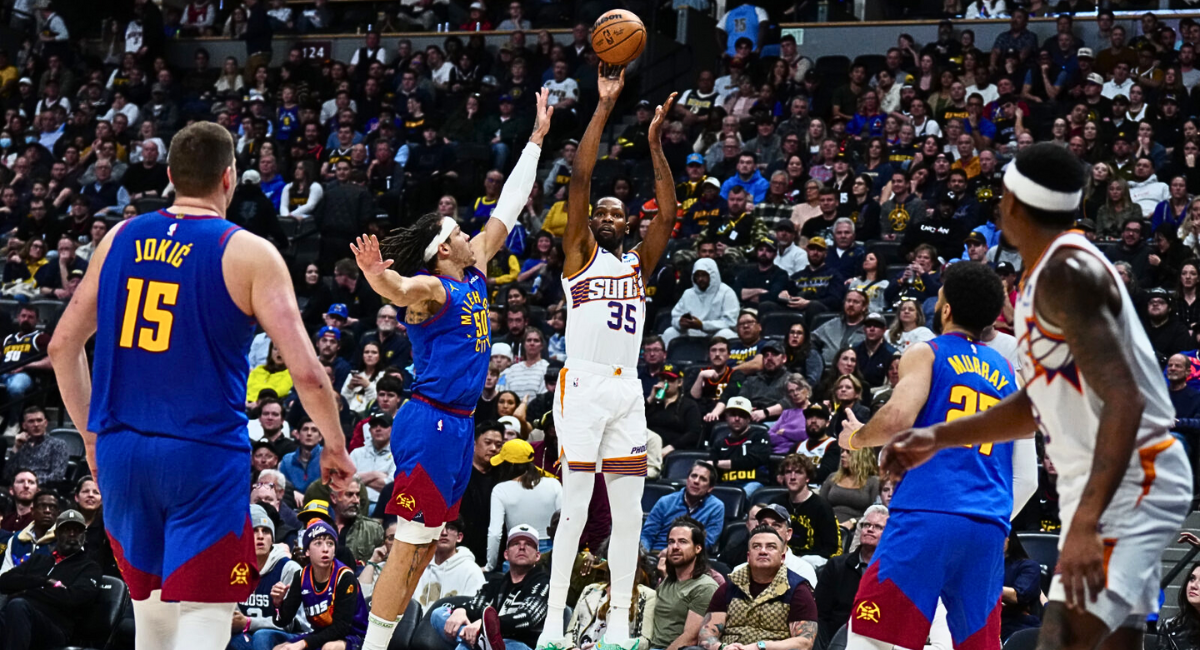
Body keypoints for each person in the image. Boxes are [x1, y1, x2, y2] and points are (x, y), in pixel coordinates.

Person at [48, 122, 356, 650]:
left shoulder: (119, 238)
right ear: (229, 178)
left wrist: (93, 437)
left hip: (124, 450)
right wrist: (335, 443)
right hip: (201, 455)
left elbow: (61, 346)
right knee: (205, 613)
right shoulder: (248, 252)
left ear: (170, 176)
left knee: (152, 615)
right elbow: (306, 371)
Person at [883, 143, 1193, 650]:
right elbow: (1037, 406)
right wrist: (939, 436)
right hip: (1109, 477)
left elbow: (1126, 398)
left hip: (1129, 474)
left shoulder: (1065, 275)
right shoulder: (1046, 275)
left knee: (1066, 640)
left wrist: (1086, 523)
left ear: (1013, 205)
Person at [347, 89, 550, 650]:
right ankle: (373, 645)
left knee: (427, 540)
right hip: (430, 420)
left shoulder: (474, 273)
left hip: (459, 425)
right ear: (444, 249)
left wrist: (534, 141)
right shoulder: (435, 287)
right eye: (459, 232)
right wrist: (375, 275)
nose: (469, 234)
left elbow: (506, 209)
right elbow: (399, 285)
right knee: (409, 543)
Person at [539, 66, 680, 650]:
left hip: (628, 390)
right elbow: (580, 176)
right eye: (602, 212)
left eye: (619, 214)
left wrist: (653, 143)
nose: (608, 217)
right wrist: (603, 106)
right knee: (574, 506)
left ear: (629, 223)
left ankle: (620, 623)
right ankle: (551, 623)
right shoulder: (579, 256)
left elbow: (669, 216)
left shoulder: (637, 266)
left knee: (629, 512)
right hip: (584, 384)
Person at [838, 260, 1037, 650]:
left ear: (945, 308)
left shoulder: (926, 352)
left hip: (928, 514)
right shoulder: (1005, 369)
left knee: (871, 637)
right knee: (975, 644)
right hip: (989, 526)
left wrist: (856, 438)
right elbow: (1030, 438)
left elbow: (896, 418)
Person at [697, 525, 819, 650]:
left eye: (771, 547)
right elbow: (706, 634)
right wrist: (722, 647)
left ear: (782, 557)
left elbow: (805, 642)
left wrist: (760, 646)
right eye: (756, 546)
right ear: (748, 557)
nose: (763, 551)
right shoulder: (729, 587)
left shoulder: (798, 590)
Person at [431, 524, 550, 650]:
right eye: (515, 544)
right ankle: (481, 643)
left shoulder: (543, 583)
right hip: (487, 640)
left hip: (520, 645)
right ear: (506, 554)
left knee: (467, 645)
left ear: (538, 556)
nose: (521, 547)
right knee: (438, 613)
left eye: (528, 544)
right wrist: (461, 610)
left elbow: (528, 618)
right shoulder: (495, 582)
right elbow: (475, 606)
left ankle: (480, 642)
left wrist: (485, 626)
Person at [0, 509, 101, 650]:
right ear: (57, 534)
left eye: (77, 530)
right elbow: (4, 581)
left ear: (84, 536)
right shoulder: (39, 560)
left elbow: (74, 599)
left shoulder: (90, 567)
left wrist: (26, 591)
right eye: (67, 529)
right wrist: (43, 582)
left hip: (56, 628)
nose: (72, 534)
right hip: (19, 617)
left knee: (18, 605)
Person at [270, 521, 370, 650]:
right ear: (307, 551)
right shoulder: (300, 576)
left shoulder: (345, 577)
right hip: (322, 634)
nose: (325, 549)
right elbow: (282, 622)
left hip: (354, 635)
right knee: (280, 649)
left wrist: (303, 643)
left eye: (330, 543)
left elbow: (341, 628)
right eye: (318, 543)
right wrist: (278, 604)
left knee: (330, 648)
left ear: (334, 551)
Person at [812, 506, 887, 650]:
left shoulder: (893, 573)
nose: (870, 529)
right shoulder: (836, 565)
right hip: (833, 639)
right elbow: (819, 615)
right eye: (866, 525)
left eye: (878, 527)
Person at [229, 504, 301, 650]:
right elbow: (233, 619)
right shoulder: (235, 570)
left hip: (289, 636)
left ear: (272, 538)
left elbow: (290, 623)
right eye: (254, 531)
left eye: (266, 531)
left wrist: (248, 622)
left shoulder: (289, 569)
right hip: (247, 636)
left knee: (262, 637)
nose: (260, 536)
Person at [485, 439, 562, 571]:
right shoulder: (554, 484)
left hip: (516, 553)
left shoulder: (501, 489)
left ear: (508, 464)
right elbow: (565, 523)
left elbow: (495, 534)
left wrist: (490, 566)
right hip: (552, 557)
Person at [650, 517, 720, 650]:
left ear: (698, 548)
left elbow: (690, 638)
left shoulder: (705, 586)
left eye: (683, 542)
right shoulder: (668, 581)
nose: (675, 547)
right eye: (671, 542)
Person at [640, 461, 724, 553]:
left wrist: (673, 552)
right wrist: (644, 556)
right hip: (658, 553)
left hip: (692, 557)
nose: (696, 481)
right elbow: (647, 535)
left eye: (703, 479)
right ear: (687, 479)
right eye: (693, 476)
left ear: (710, 488)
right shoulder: (665, 501)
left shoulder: (716, 507)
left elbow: (708, 542)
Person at [771, 454, 841, 561]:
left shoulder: (822, 507)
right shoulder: (777, 503)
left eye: (798, 472)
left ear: (807, 478)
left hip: (812, 559)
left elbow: (830, 548)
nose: (793, 477)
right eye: (788, 472)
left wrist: (799, 559)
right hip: (782, 556)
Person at [413, 520, 486, 608]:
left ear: (459, 537)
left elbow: (474, 611)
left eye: (451, 528)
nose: (444, 533)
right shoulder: (418, 566)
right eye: (438, 527)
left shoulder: (472, 571)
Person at [710, 396, 770, 496]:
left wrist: (717, 463)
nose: (737, 419)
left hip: (753, 483)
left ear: (749, 418)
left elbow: (753, 460)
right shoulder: (719, 443)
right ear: (726, 417)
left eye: (742, 415)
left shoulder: (760, 435)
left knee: (740, 496)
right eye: (733, 415)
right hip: (725, 484)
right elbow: (711, 468)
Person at [646, 364, 703, 456]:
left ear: (679, 382)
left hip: (673, 453)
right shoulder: (652, 403)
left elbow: (693, 433)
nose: (666, 383)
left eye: (670, 379)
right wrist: (650, 398)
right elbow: (636, 422)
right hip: (647, 449)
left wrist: (671, 447)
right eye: (662, 379)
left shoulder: (689, 405)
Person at [2, 407, 67, 485]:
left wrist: (30, 483)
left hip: (44, 489)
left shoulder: (58, 445)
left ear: (45, 423)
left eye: (39, 420)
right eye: (31, 421)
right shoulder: (21, 445)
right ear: (24, 425)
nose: (36, 425)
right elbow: (7, 475)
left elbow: (57, 476)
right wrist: (16, 448)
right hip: (18, 489)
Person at [1000, 529, 1043, 641]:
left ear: (1009, 538)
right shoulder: (981, 568)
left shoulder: (1028, 566)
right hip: (986, 626)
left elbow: (1019, 595)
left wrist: (983, 587)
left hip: (1016, 627)